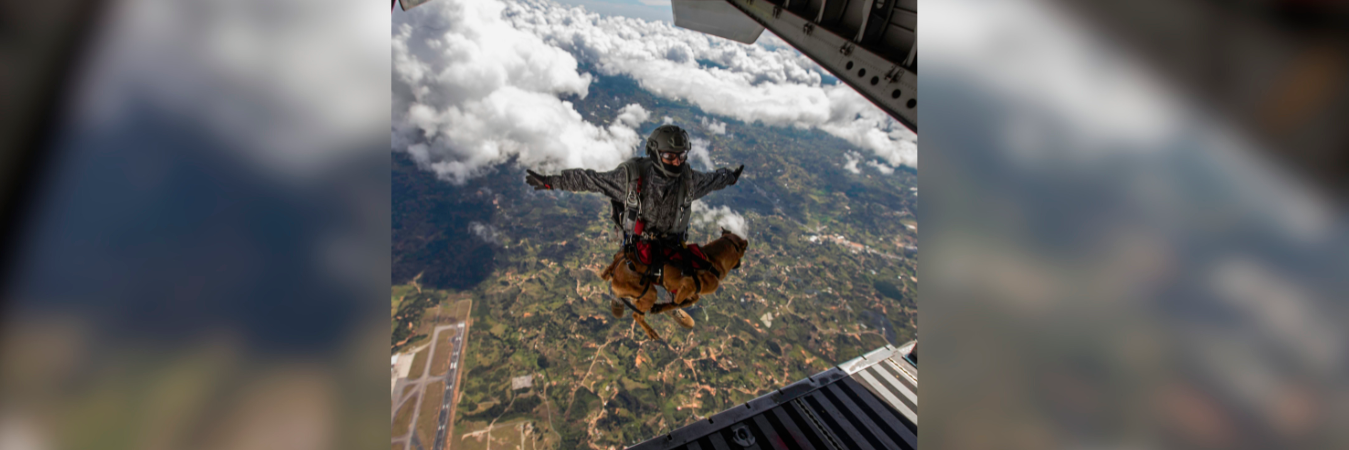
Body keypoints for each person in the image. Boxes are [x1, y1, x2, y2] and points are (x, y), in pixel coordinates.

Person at [524, 124, 743, 318]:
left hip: (672, 244)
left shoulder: (688, 181)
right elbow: (591, 180)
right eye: (669, 156)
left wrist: (730, 177)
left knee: (698, 278)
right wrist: (550, 182)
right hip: (639, 244)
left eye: (681, 155)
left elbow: (713, 180)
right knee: (626, 273)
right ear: (655, 154)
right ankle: (617, 296)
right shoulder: (630, 179)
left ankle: (672, 297)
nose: (677, 162)